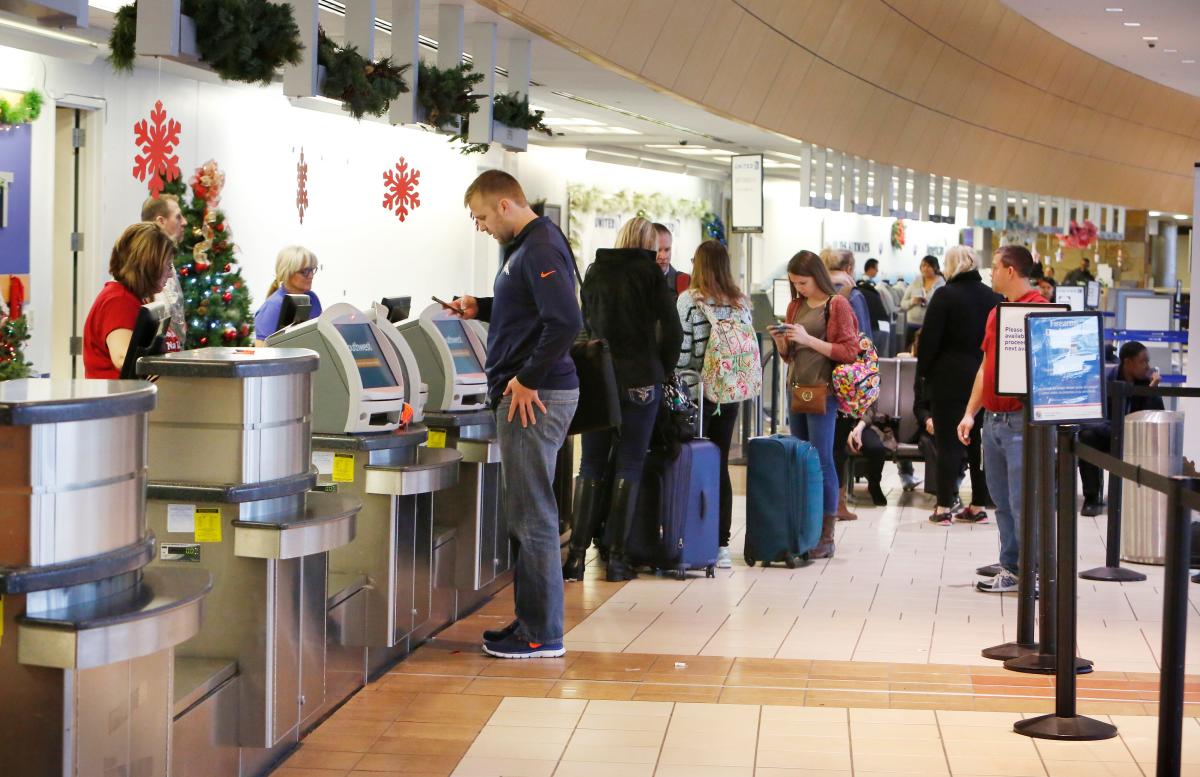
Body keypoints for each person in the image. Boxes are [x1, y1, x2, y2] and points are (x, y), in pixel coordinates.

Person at [455, 170, 581, 659]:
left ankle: (542, 633)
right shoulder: (526, 250)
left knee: (533, 516)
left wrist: (527, 379)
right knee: (528, 513)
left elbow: (566, 320)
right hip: (533, 391)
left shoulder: (540, 246)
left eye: (482, 216)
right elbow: (529, 311)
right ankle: (532, 622)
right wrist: (481, 307)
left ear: (505, 205)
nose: (481, 226)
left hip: (536, 396)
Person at [565, 217, 682, 582]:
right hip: (641, 379)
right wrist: (660, 369)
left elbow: (583, 322)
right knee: (629, 464)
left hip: (600, 378)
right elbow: (673, 332)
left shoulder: (595, 271)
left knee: (591, 466)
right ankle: (616, 559)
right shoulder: (650, 275)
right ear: (648, 244)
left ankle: (576, 557)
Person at [957, 245, 1048, 593]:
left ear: (1010, 271)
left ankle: (1033, 570)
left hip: (1023, 422)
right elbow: (986, 366)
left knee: (1025, 502)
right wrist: (970, 413)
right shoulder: (997, 312)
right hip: (994, 422)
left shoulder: (1040, 311)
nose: (989, 274)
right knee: (1002, 501)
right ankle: (1012, 565)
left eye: (994, 267)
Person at [771, 250, 860, 559]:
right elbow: (791, 356)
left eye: (803, 283)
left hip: (823, 390)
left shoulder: (837, 305)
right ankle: (804, 525)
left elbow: (849, 351)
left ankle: (826, 534)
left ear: (817, 278)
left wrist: (809, 340)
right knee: (799, 457)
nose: (799, 289)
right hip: (797, 386)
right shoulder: (795, 305)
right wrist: (784, 342)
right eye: (794, 283)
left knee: (821, 459)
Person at [677, 240, 757, 568]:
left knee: (694, 462)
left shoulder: (689, 301)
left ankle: (692, 538)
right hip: (730, 394)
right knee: (720, 462)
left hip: (698, 393)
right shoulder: (740, 304)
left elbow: (683, 354)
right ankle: (722, 545)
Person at [918, 246, 997, 526]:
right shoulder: (993, 297)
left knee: (949, 443)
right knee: (978, 444)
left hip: (947, 379)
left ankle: (943, 507)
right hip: (984, 378)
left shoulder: (945, 296)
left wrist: (923, 374)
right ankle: (978, 504)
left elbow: (929, 342)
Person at [1078, 341, 1164, 516]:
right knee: (1086, 436)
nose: (1147, 366)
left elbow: (1156, 417)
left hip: (1136, 437)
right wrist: (1117, 430)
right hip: (1110, 433)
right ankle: (1092, 498)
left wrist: (1151, 391)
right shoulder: (1105, 380)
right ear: (1128, 362)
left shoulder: (1146, 383)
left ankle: (1140, 498)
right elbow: (1088, 418)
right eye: (1143, 361)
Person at [83, 222, 177, 378]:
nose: (170, 274)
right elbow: (123, 358)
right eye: (167, 266)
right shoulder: (118, 302)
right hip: (116, 400)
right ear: (149, 266)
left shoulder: (129, 297)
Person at [822, 248, 872, 521]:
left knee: (824, 444)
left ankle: (825, 504)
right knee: (838, 443)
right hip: (845, 379)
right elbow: (863, 341)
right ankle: (838, 504)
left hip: (818, 376)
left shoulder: (815, 292)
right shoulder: (853, 295)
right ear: (850, 267)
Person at [141, 194, 187, 351]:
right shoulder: (141, 267)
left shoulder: (169, 264)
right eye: (178, 217)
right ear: (160, 221)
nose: (185, 222)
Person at [253, 246, 323, 344]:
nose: (311, 276)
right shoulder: (273, 305)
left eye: (312, 270)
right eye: (305, 272)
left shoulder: (313, 299)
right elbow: (262, 350)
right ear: (287, 272)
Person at [846, 401, 895, 506]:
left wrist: (859, 427)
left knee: (876, 448)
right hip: (836, 420)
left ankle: (874, 483)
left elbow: (870, 409)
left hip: (861, 424)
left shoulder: (869, 385)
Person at [901, 255, 945, 350]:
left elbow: (944, 307)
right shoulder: (915, 283)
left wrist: (929, 303)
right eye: (923, 266)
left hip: (931, 326)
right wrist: (912, 301)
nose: (925, 268)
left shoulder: (942, 285)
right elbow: (903, 304)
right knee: (909, 354)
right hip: (912, 326)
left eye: (928, 266)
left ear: (935, 267)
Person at [856, 258, 892, 358]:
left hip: (874, 325)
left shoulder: (860, 287)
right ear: (871, 269)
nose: (877, 271)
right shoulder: (872, 286)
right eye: (876, 269)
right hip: (879, 324)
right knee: (880, 357)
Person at [653, 223, 690, 298]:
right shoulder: (635, 282)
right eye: (658, 250)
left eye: (667, 250)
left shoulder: (685, 281)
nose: (663, 256)